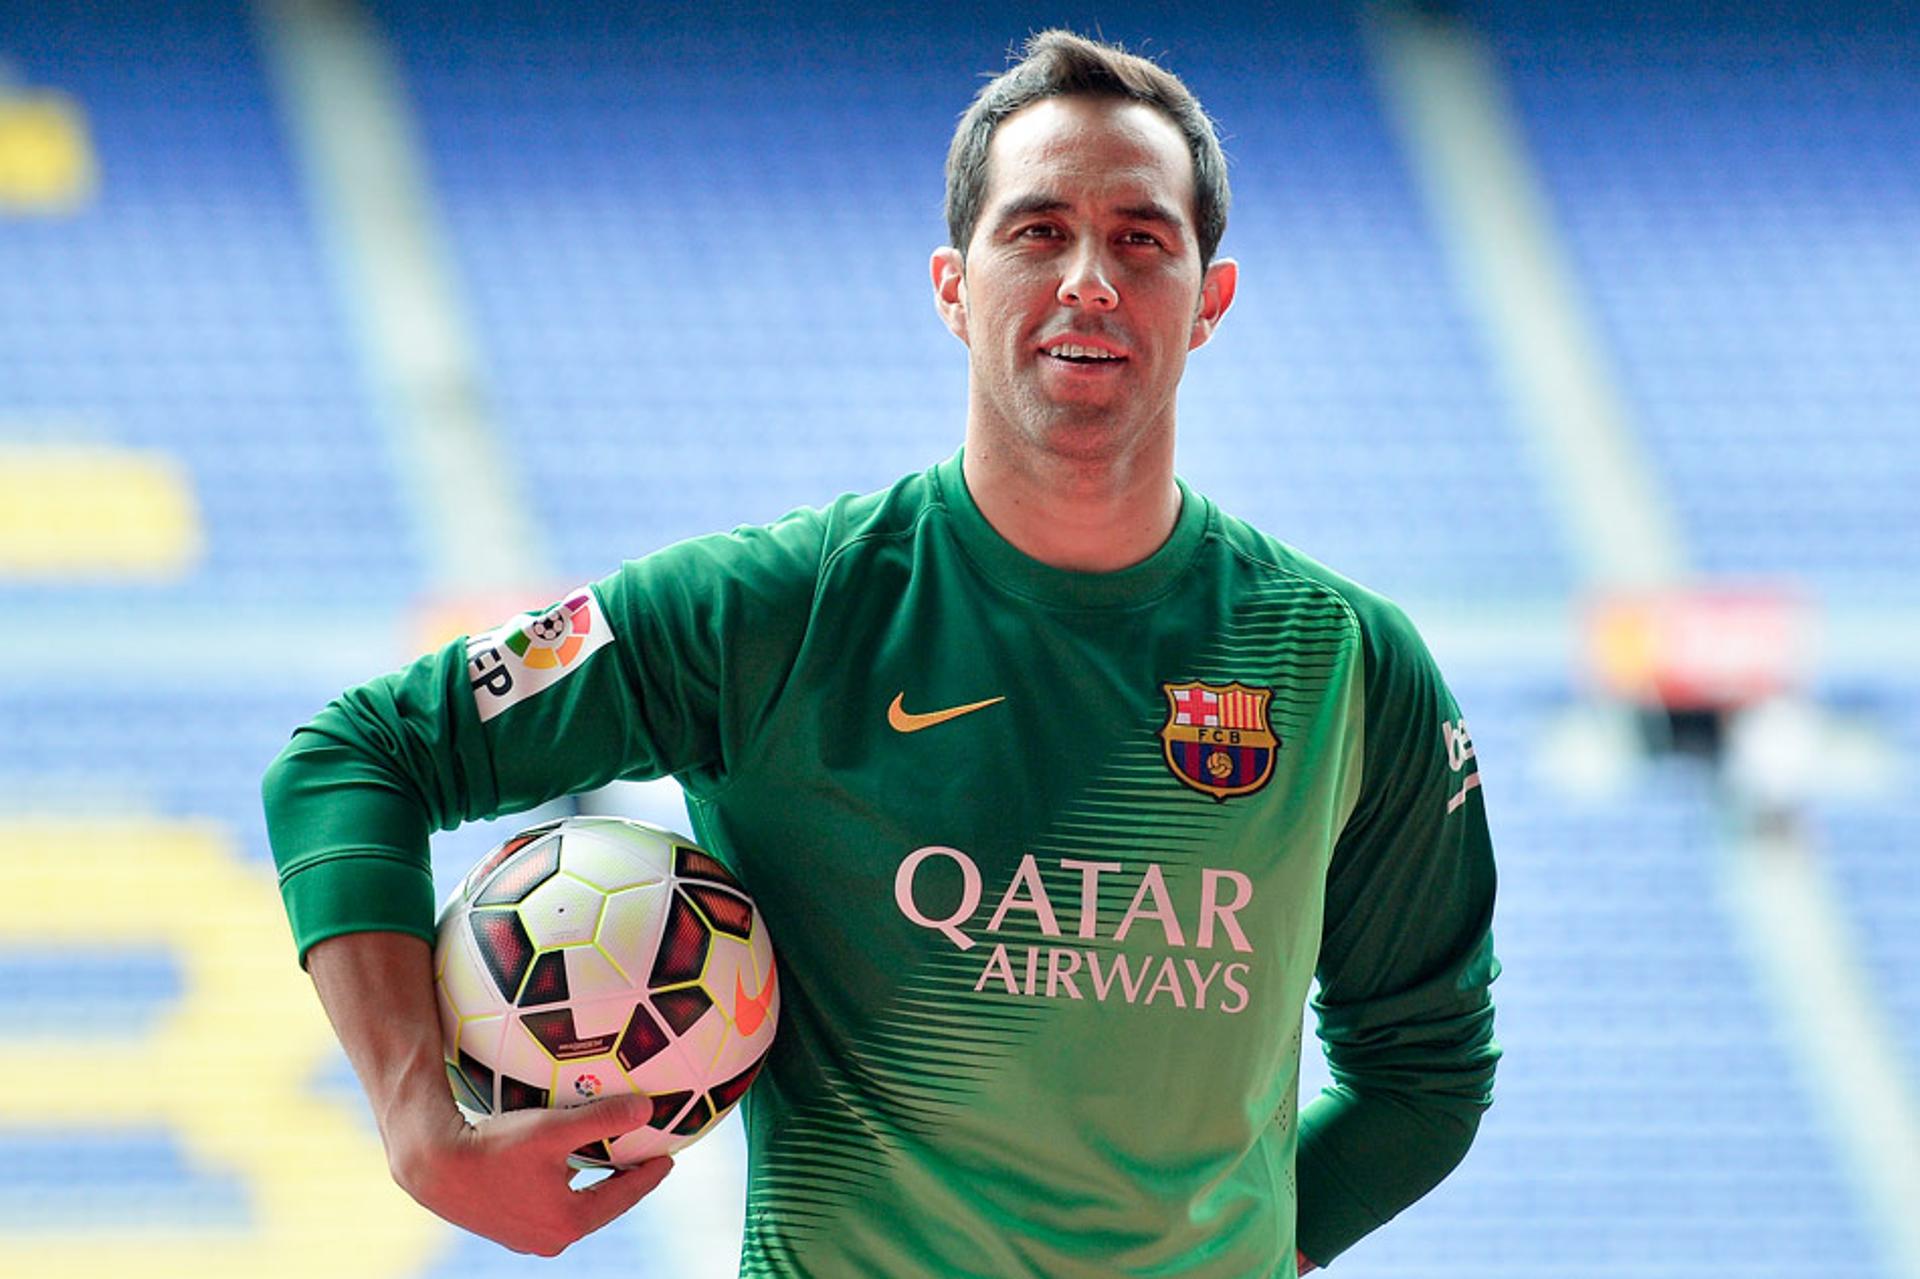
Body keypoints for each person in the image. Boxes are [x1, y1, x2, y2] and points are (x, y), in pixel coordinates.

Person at [263, 29, 1499, 1278]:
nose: (1088, 278)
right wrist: (420, 1123)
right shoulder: (776, 612)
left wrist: (1249, 1253)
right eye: (1035, 231)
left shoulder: (1345, 662)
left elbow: (1427, 1078)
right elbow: (353, 758)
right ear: (953, 286)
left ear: (1208, 300)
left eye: (1143, 238)